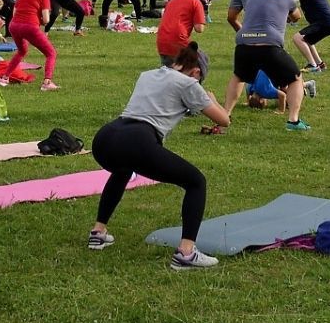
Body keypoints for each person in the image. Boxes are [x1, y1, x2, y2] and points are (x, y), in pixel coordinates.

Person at [87, 43, 231, 269]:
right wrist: (210, 98)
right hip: (137, 140)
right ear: (196, 72)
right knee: (196, 182)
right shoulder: (189, 83)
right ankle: (186, 253)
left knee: (122, 170)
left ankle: (98, 231)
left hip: (106, 137)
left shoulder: (149, 74)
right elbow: (224, 120)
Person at [221, 0, 308, 130]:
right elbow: (297, 17)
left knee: (239, 76)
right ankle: (293, 121)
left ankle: (225, 114)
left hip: (244, 42)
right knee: (295, 78)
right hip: (269, 44)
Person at [4, 0, 59, 90]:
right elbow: (46, 19)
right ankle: (47, 82)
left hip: (14, 26)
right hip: (30, 26)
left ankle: (5, 78)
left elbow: (14, 12)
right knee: (51, 53)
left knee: (22, 51)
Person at [156, 0, 207, 66]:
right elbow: (199, 28)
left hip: (162, 42)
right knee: (201, 62)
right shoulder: (195, 2)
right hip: (178, 43)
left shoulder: (171, 1)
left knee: (168, 73)